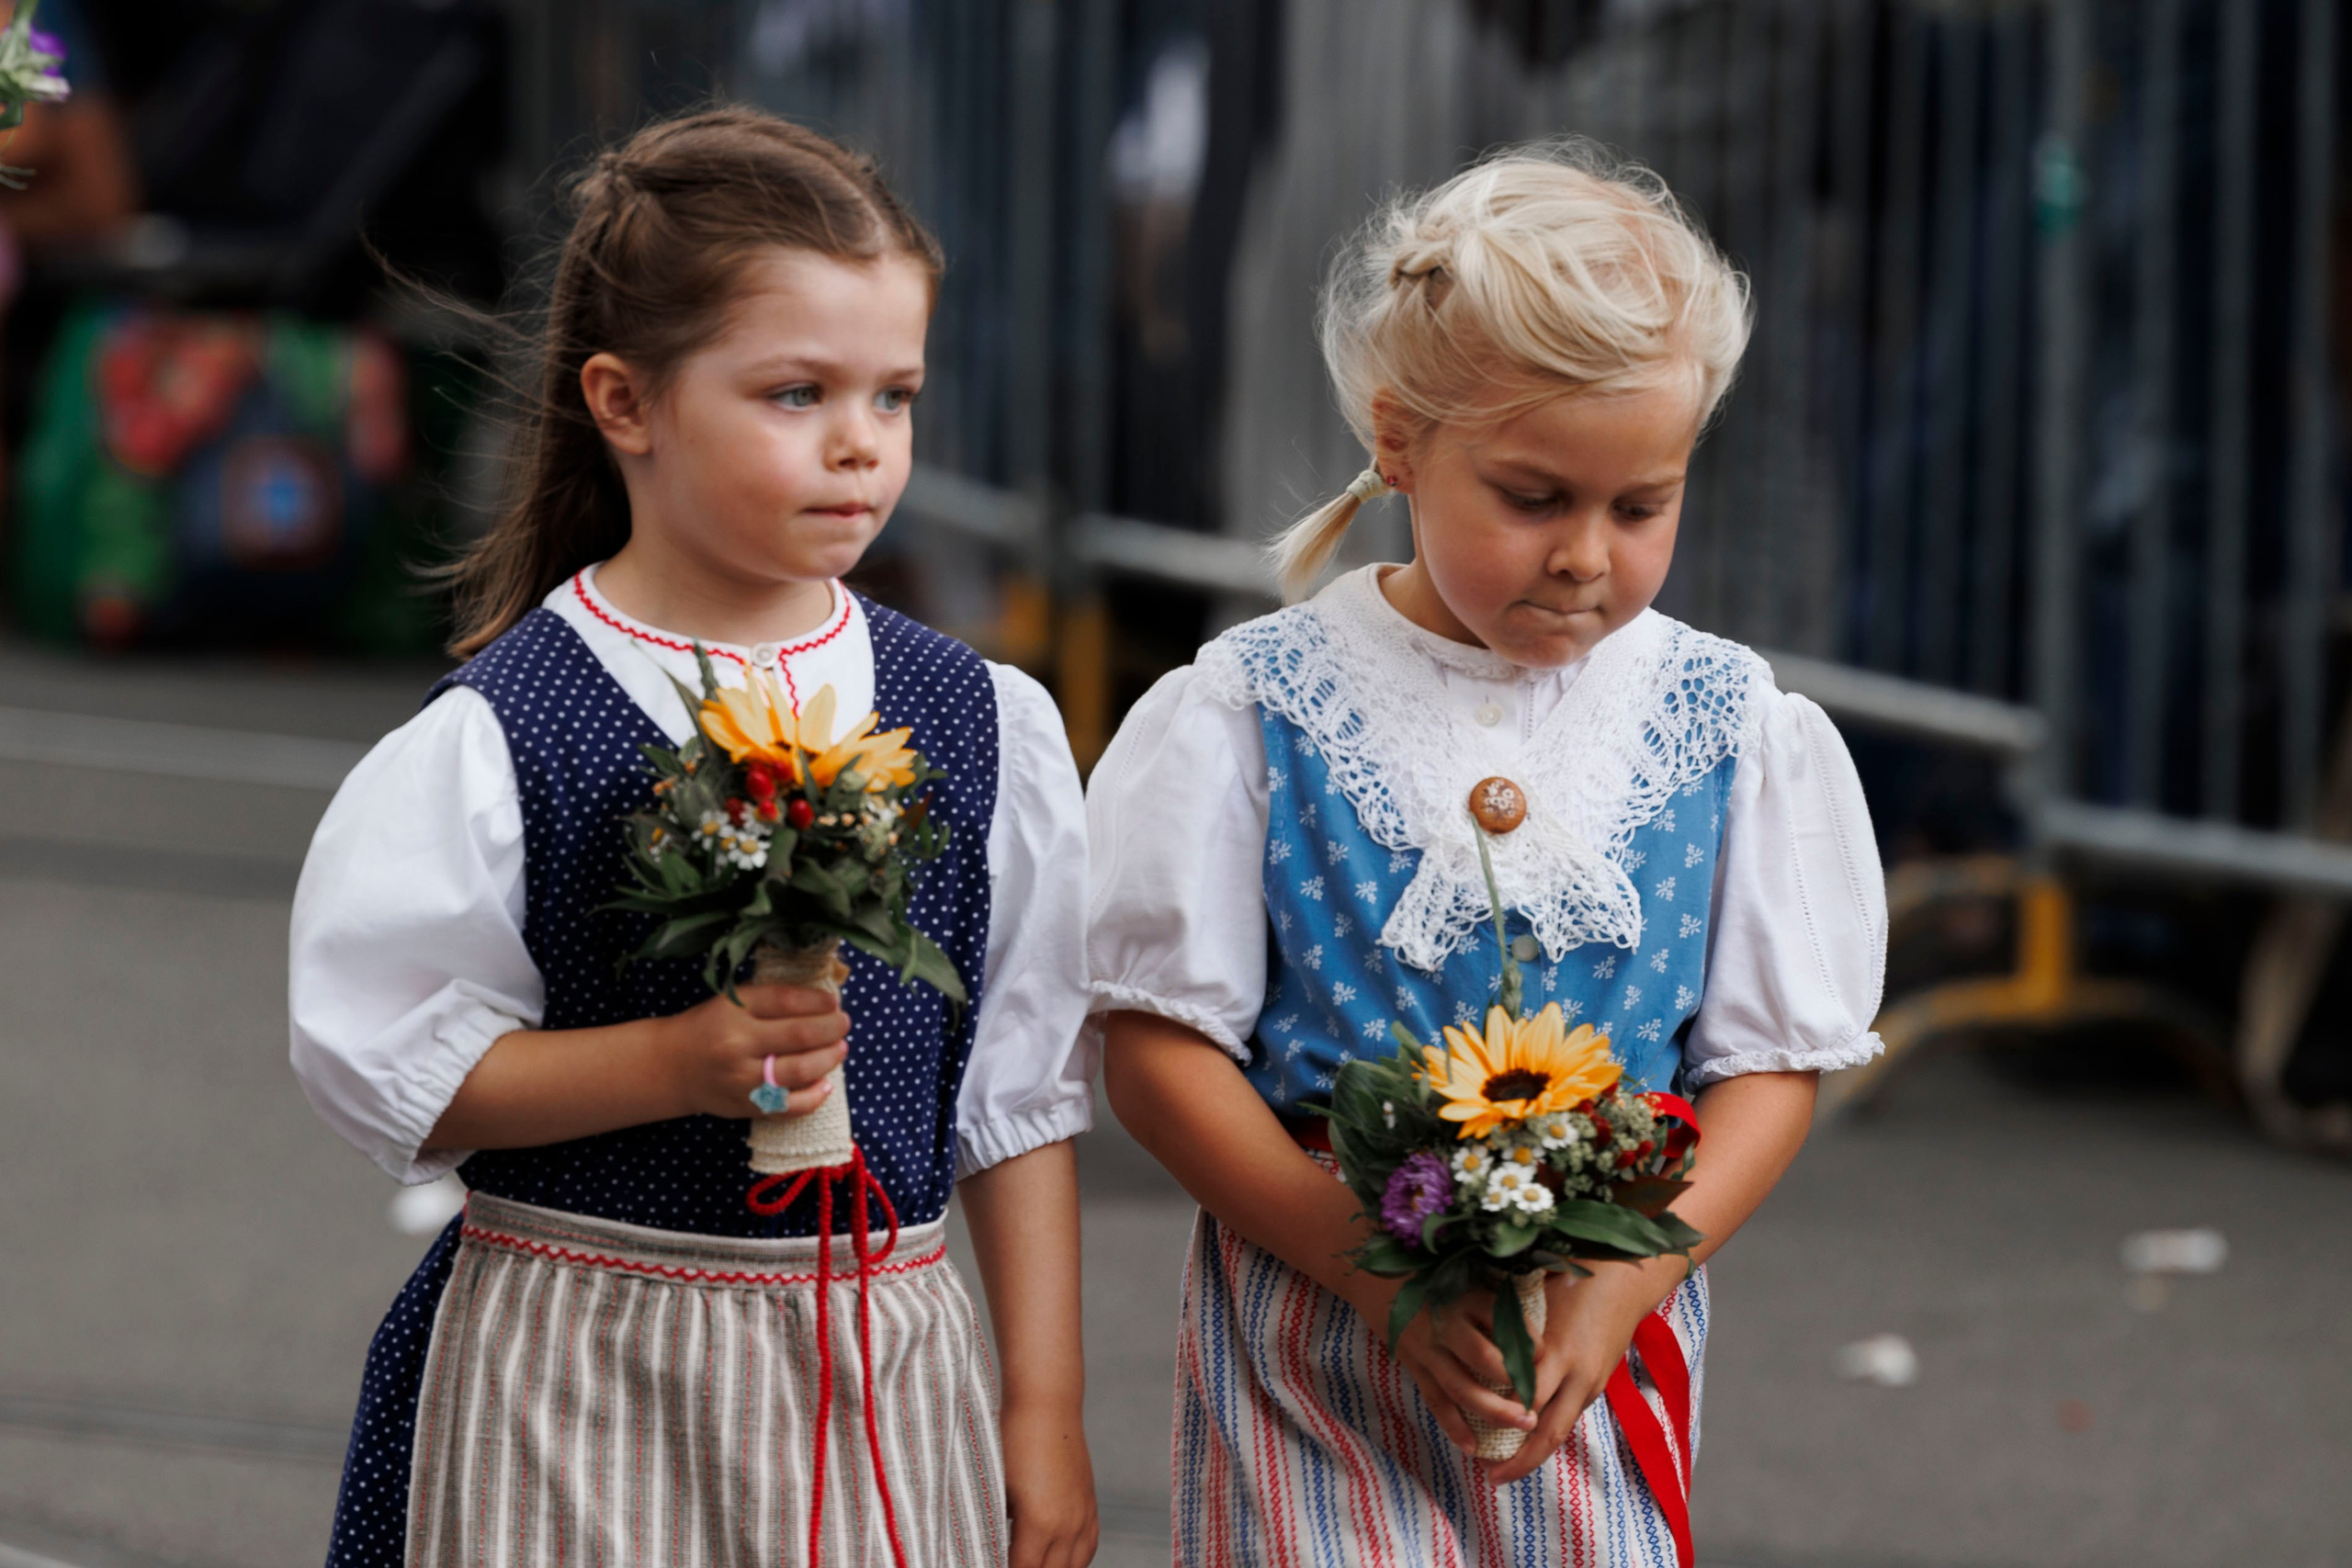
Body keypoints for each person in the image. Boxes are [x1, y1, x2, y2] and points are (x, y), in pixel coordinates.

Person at [290, 108, 1099, 1568]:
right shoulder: (510, 727)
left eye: (894, 396)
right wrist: (667, 1064)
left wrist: (1042, 1413)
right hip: (579, 1362)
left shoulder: (979, 722)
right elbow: (394, 1065)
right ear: (627, 400)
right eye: (797, 393)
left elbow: (1018, 1096)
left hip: (877, 1366)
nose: (861, 444)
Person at [1086, 142, 1887, 1565]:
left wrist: (1631, 1286)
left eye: (1641, 506)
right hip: (1312, 1321)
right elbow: (1156, 1051)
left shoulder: (1726, 723)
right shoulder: (1253, 708)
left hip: (1595, 1320)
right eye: (1533, 498)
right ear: (1399, 443)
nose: (1587, 553)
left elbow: (1768, 1068)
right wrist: (1353, 1258)